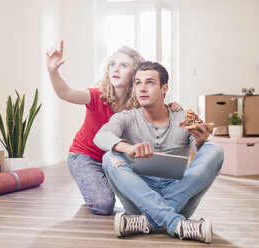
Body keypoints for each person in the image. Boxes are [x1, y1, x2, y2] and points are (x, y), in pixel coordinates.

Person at [45, 41, 182, 216]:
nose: (115, 69)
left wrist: (171, 106)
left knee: (149, 197)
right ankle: (95, 191)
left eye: (123, 65)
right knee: (103, 205)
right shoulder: (96, 95)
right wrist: (53, 71)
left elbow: (157, 111)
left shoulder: (139, 105)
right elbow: (65, 93)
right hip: (85, 157)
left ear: (135, 74)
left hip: (117, 159)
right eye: (112, 64)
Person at [93, 61, 224, 243]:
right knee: (109, 157)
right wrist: (128, 148)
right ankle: (176, 223)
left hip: (179, 195)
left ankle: (148, 222)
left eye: (150, 82)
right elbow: (101, 136)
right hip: (139, 197)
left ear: (164, 88)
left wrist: (201, 142)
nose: (142, 88)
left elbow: (201, 151)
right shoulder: (126, 117)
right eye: (138, 83)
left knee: (214, 149)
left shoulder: (185, 116)